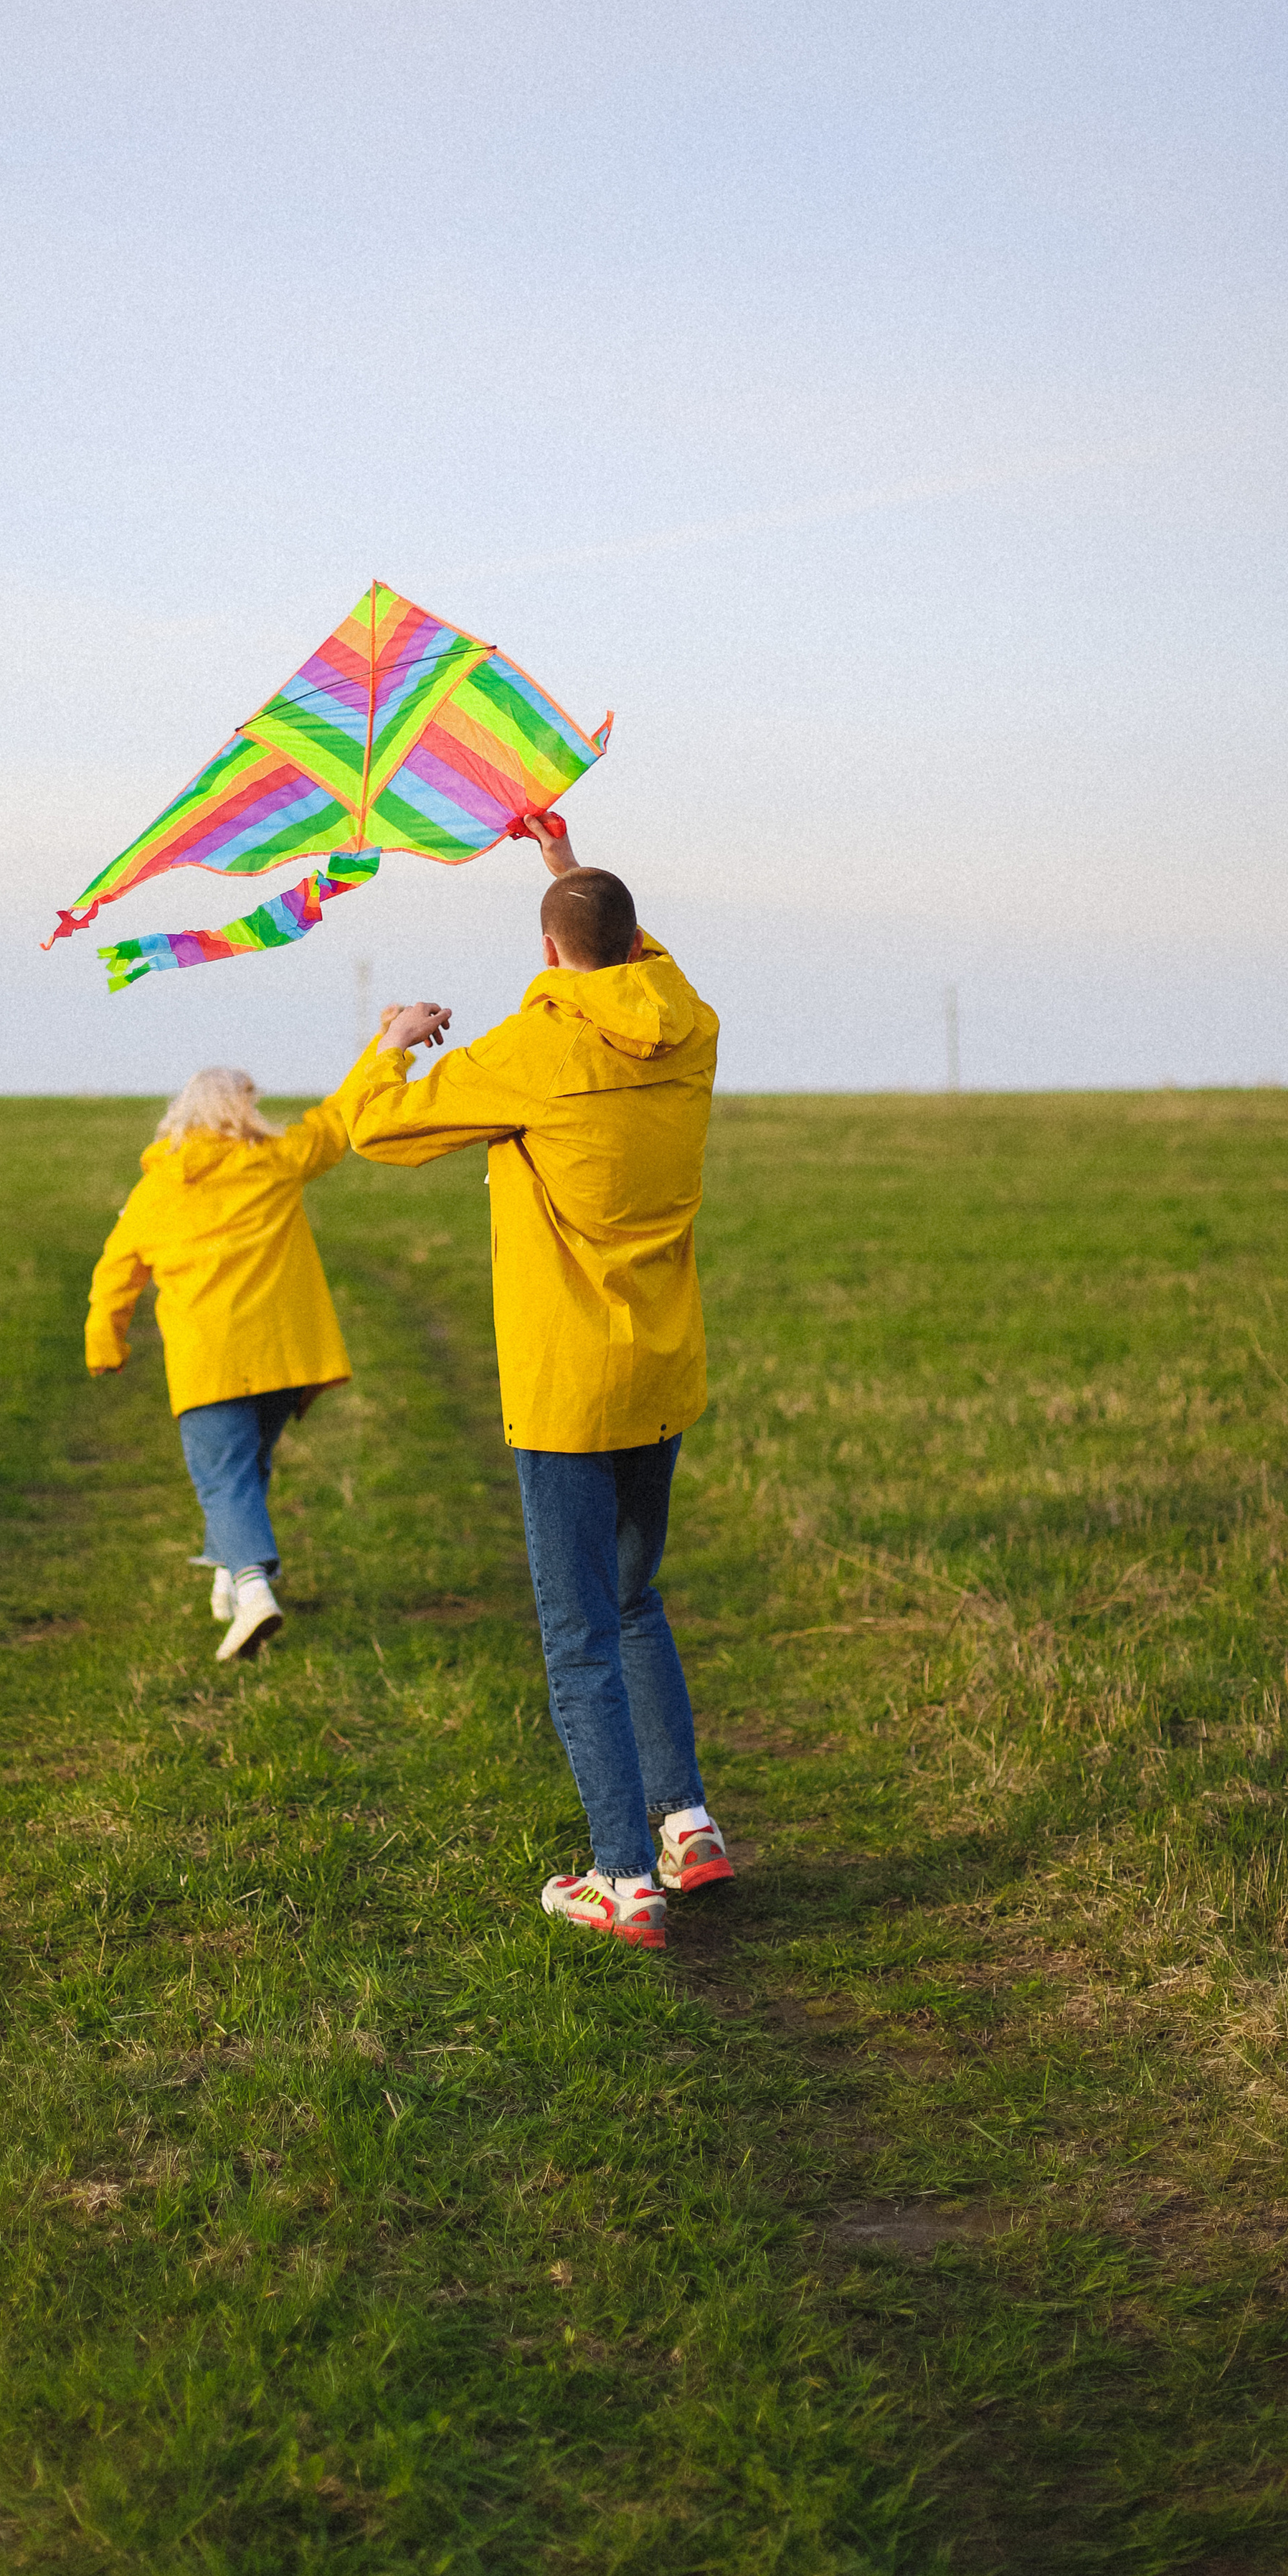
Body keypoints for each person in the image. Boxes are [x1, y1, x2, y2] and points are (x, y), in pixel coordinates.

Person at [344, 827, 730, 1949]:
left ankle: (622, 1878)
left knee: (578, 1636)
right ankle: (689, 1825)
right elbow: (632, 970)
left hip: (568, 1386)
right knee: (634, 1599)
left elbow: (375, 1129)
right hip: (660, 1371)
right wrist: (563, 854)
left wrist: (394, 1042)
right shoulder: (692, 1027)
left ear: (549, 953)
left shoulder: (529, 1052)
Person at [85, 1063, 361, 1662]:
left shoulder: (156, 1190)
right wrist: (388, 1046)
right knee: (247, 1469)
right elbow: (338, 1120)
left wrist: (105, 1343)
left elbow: (116, 1273)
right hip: (283, 1358)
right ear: (245, 1110)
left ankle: (252, 1589)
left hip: (209, 1364)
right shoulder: (275, 1161)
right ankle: (226, 1579)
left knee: (223, 1479)